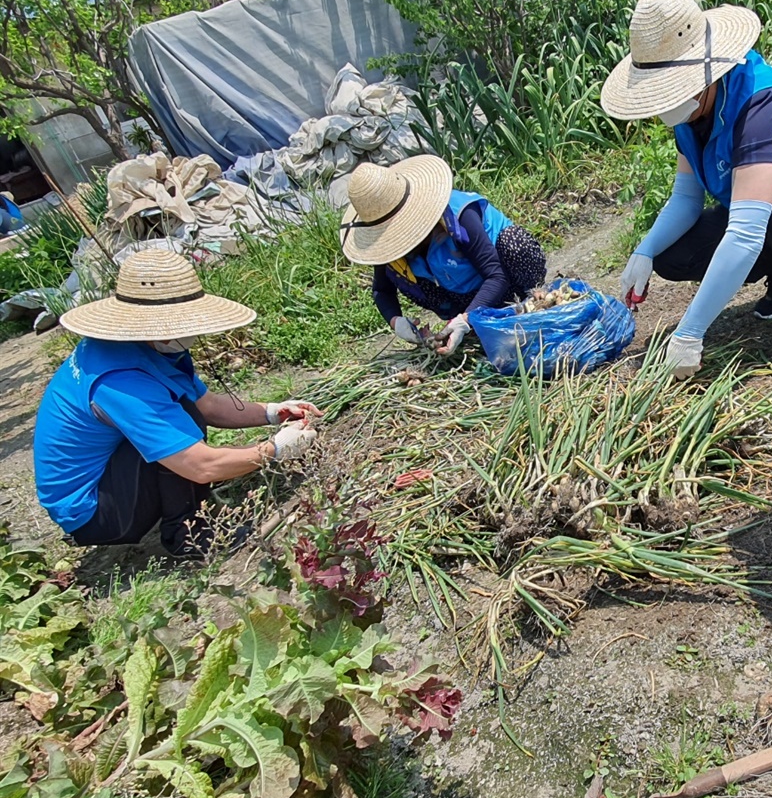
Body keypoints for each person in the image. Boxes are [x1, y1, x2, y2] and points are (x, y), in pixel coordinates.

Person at [599, 0, 772, 377]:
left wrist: (690, 332)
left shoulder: (760, 103)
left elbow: (747, 233)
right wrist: (644, 252)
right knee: (672, 252)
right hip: (765, 215)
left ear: (705, 72)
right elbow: (685, 199)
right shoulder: (693, 113)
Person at [34, 249, 322, 558]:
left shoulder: (145, 348)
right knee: (181, 422)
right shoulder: (121, 380)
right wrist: (275, 450)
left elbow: (207, 406)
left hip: (107, 478)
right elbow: (200, 465)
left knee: (185, 411)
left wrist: (271, 412)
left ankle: (184, 513)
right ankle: (190, 536)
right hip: (95, 514)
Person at [341, 156, 547, 356]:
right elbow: (381, 290)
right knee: (398, 274)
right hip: (460, 294)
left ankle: (529, 301)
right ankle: (465, 324)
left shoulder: (459, 216)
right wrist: (396, 321)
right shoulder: (388, 249)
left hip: (505, 278)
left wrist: (467, 318)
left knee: (514, 243)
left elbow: (497, 276)